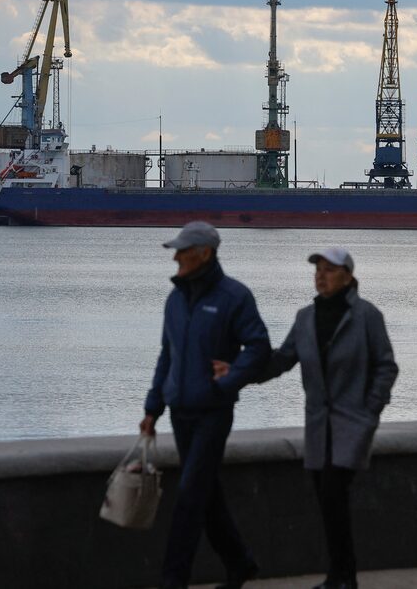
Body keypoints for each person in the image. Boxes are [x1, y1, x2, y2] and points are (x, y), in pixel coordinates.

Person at [219, 247, 397, 589]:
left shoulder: (367, 316)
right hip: (318, 426)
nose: (320, 276)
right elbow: (281, 361)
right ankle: (341, 577)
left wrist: (370, 411)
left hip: (352, 424)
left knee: (333, 495)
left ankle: (342, 577)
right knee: (329, 502)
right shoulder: (305, 318)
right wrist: (237, 371)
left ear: (348, 276)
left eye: (328, 270)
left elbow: (386, 366)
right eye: (317, 270)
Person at [140, 221, 270, 589]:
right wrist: (152, 408)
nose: (176, 257)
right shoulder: (175, 299)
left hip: (214, 411)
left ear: (204, 254)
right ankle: (240, 562)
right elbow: (167, 355)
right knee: (205, 493)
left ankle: (173, 579)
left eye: (182, 251)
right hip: (179, 412)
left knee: (190, 493)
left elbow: (259, 346)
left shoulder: (234, 297)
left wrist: (229, 378)